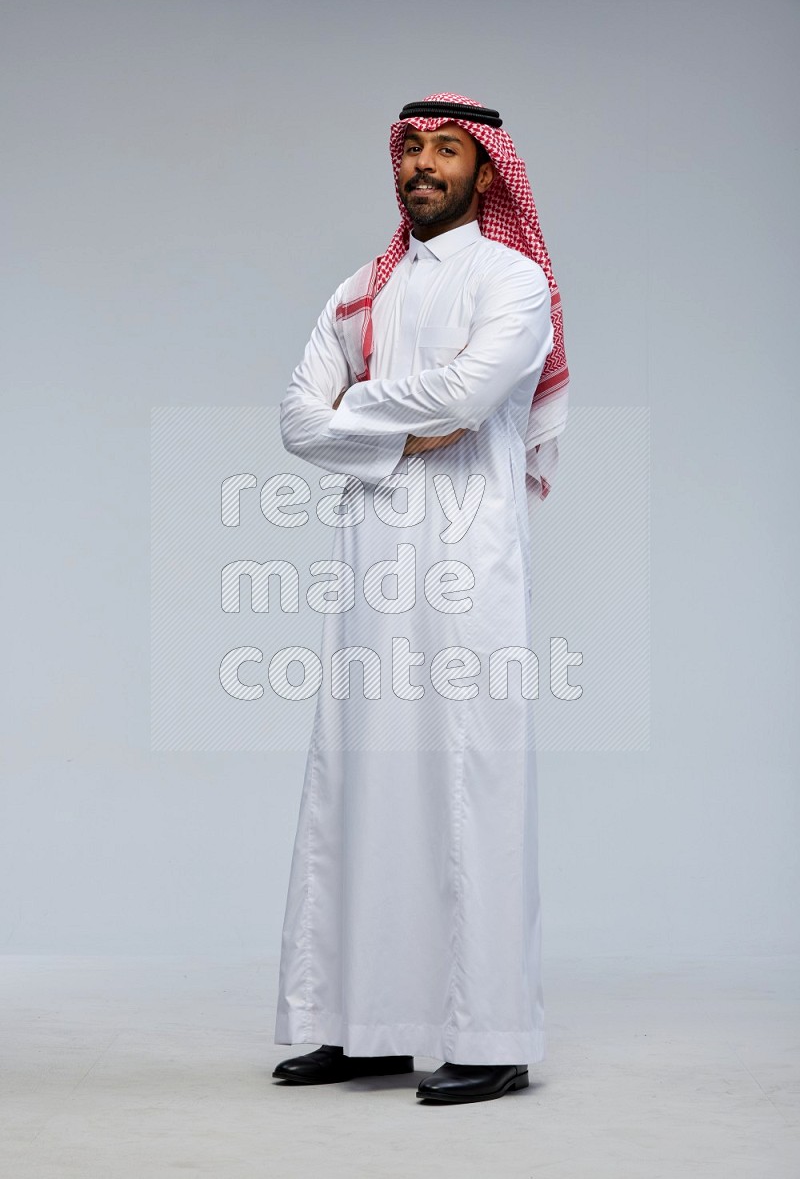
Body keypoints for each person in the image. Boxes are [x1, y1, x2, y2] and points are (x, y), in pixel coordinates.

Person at [272, 93, 569, 1104]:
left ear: (486, 173)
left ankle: (490, 1032)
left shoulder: (513, 277)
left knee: (466, 777)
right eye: (411, 151)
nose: (423, 166)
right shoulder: (360, 290)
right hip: (367, 566)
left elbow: (469, 394)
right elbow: (294, 420)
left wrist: (355, 411)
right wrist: (391, 424)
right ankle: (361, 1026)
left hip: (466, 560)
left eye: (446, 151)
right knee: (358, 780)